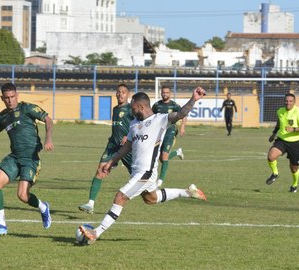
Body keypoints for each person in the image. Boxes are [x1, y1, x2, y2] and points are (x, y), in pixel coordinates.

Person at [78, 87, 208, 244]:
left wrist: (194, 98)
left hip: (146, 173)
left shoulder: (160, 120)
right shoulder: (134, 123)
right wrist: (112, 161)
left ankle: (95, 233)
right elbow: (128, 146)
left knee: (120, 197)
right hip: (137, 172)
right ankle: (187, 192)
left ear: (141, 106)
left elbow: (180, 114)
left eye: (133, 108)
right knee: (151, 199)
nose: (131, 111)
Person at [0, 82, 54, 236]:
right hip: (14, 157)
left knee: (22, 195)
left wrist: (48, 138)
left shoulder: (27, 108)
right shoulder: (2, 117)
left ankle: (43, 207)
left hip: (30, 158)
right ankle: (1, 225)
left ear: (17, 95)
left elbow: (48, 119)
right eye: (6, 98)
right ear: (2, 98)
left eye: (13, 97)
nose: (10, 100)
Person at [78, 83, 134, 214]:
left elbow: (139, 124)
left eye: (123, 92)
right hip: (112, 146)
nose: (120, 94)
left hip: (127, 148)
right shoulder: (115, 109)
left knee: (138, 179)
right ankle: (90, 204)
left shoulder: (131, 109)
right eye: (118, 92)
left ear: (128, 94)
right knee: (100, 170)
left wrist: (128, 135)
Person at [266, 93, 299, 193]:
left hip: (295, 143)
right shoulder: (280, 111)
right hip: (281, 140)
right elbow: (279, 123)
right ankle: (275, 173)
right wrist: (273, 134)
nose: (288, 103)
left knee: (294, 168)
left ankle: (294, 185)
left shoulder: (298, 112)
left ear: (294, 102)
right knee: (271, 156)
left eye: (290, 101)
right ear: (284, 101)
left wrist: (293, 129)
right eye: (286, 101)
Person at [151, 85, 185, 188]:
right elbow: (152, 117)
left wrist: (182, 127)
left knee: (164, 156)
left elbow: (184, 115)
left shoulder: (174, 105)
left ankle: (160, 181)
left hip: (170, 132)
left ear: (170, 94)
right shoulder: (156, 105)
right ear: (161, 93)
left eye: (166, 92)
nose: (164, 94)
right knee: (161, 158)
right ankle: (177, 152)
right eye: (163, 92)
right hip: (159, 132)